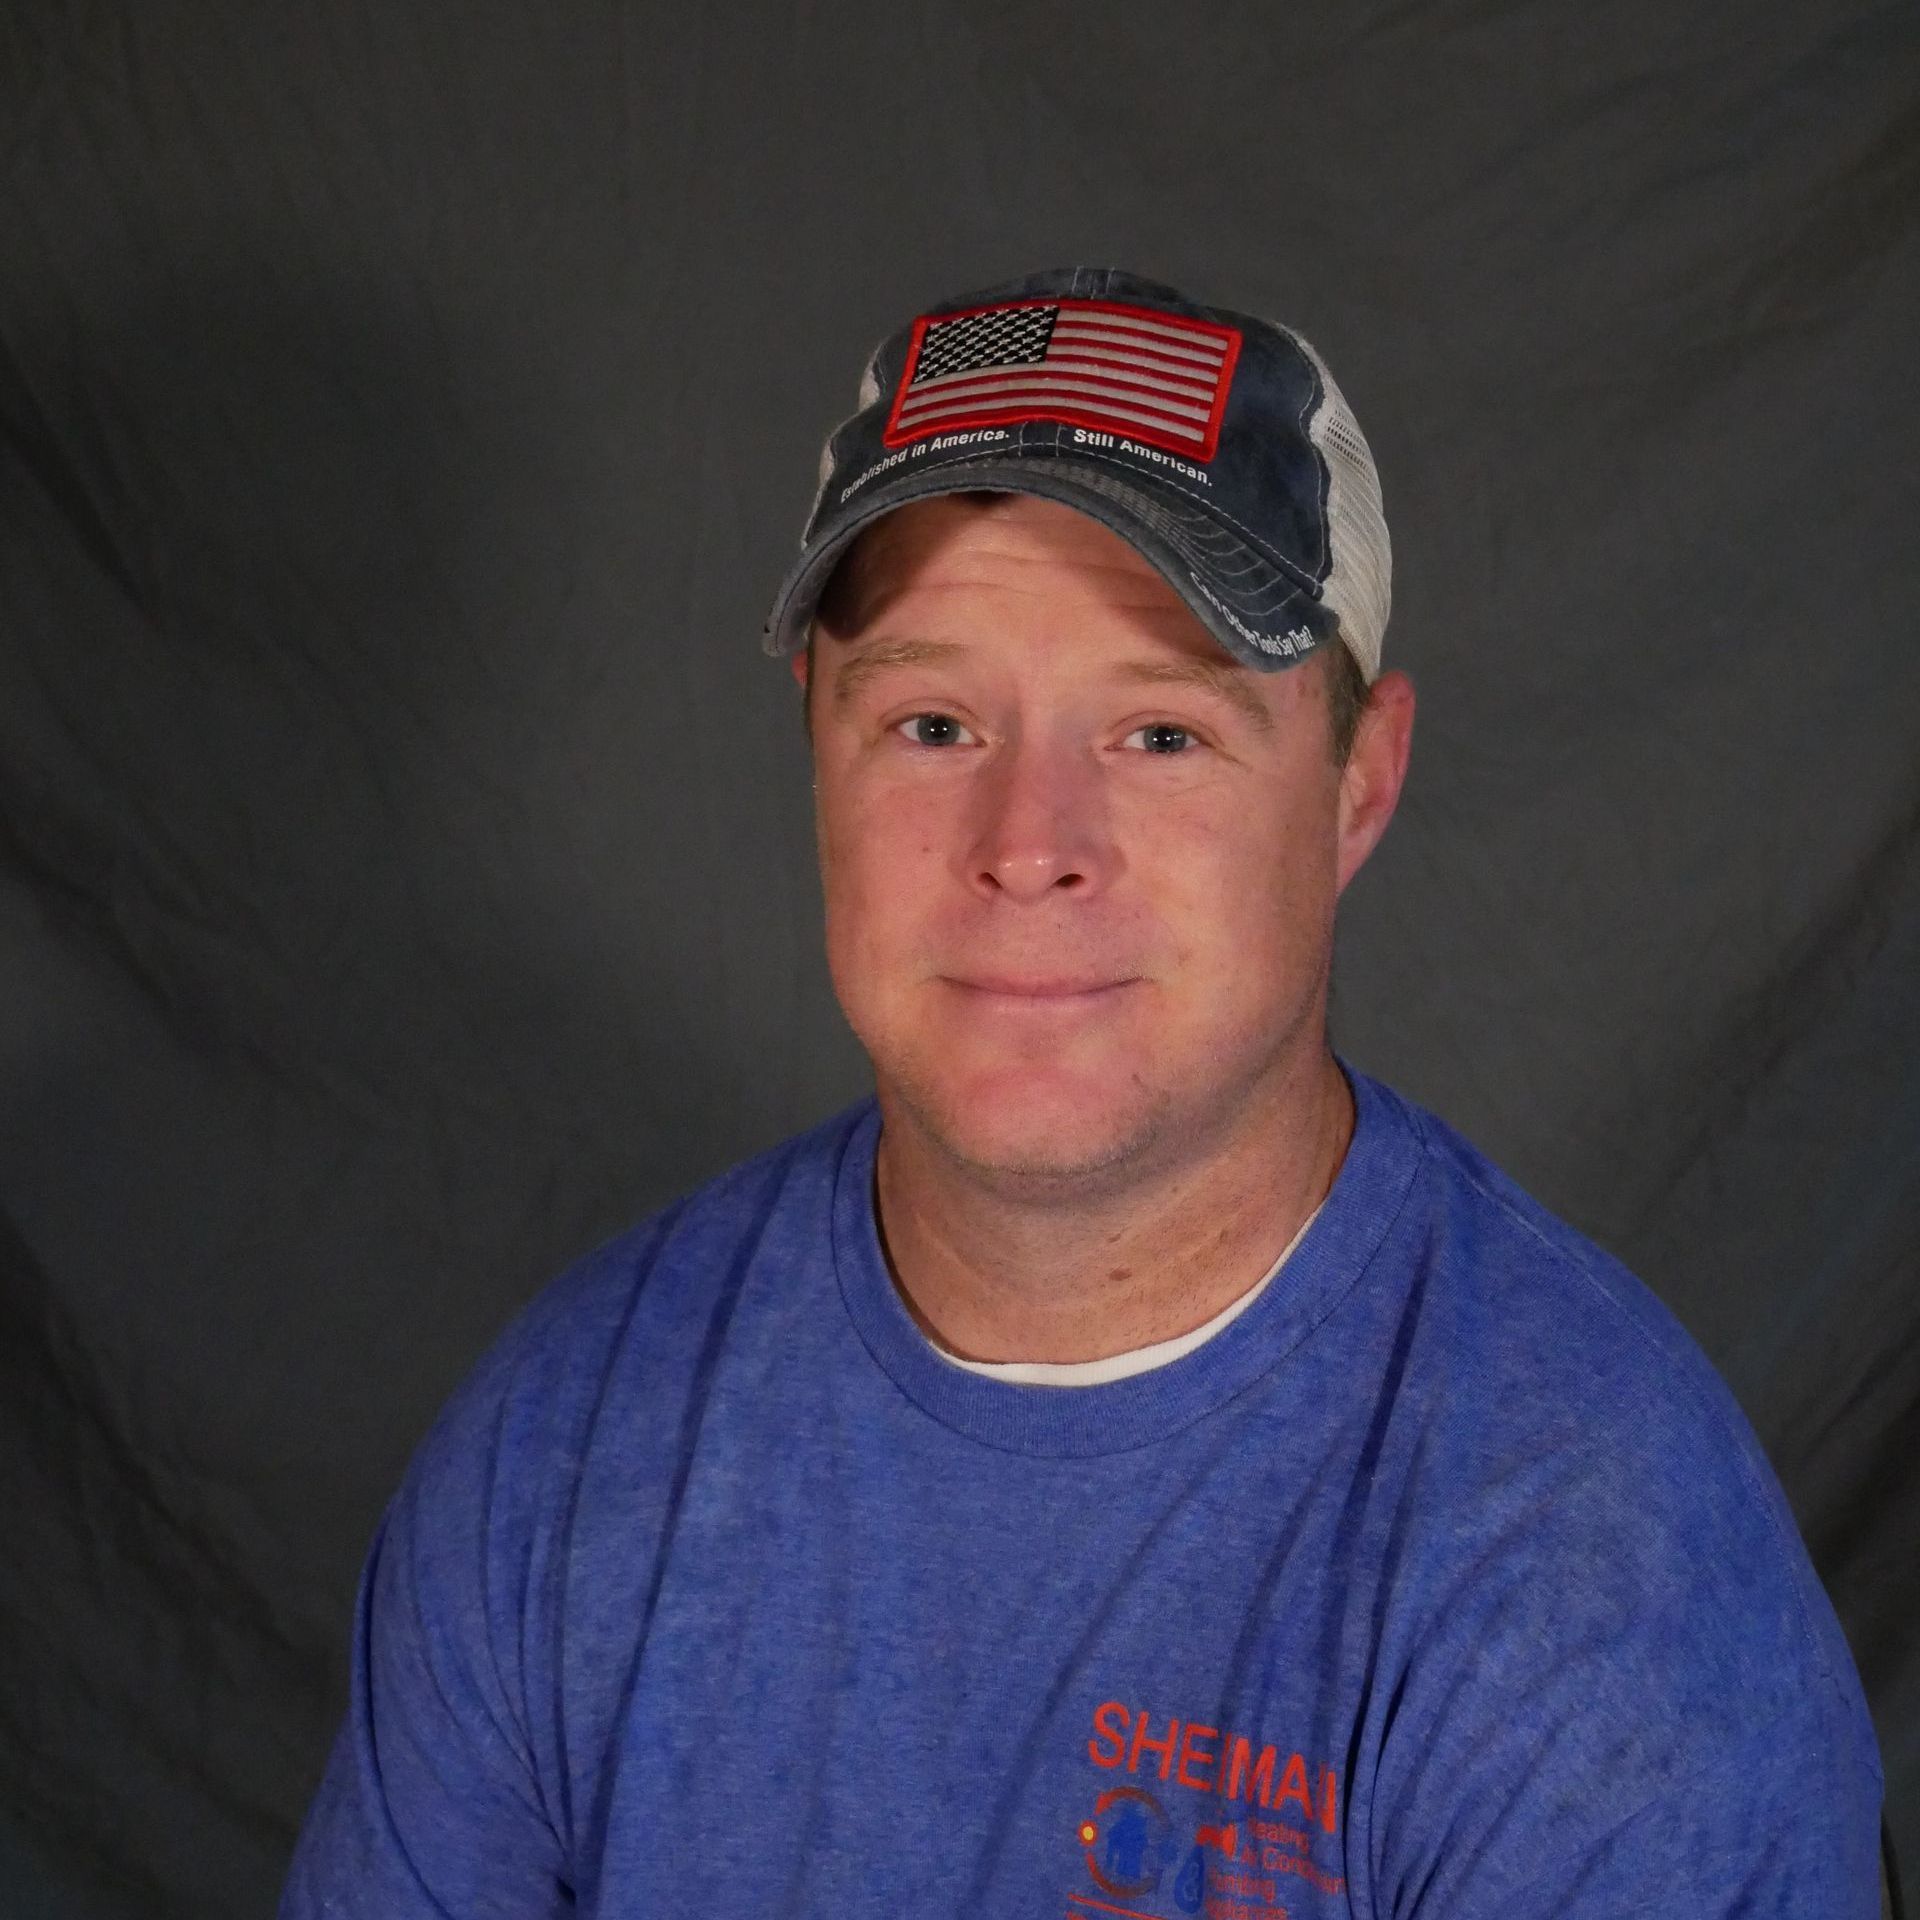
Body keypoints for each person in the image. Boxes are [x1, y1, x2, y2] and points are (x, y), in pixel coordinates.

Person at [281, 266, 1885, 1916]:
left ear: (1359, 784)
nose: (1030, 843)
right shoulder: (564, 1449)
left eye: (1162, 736)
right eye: (932, 721)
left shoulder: (1591, 1570)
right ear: (812, 745)